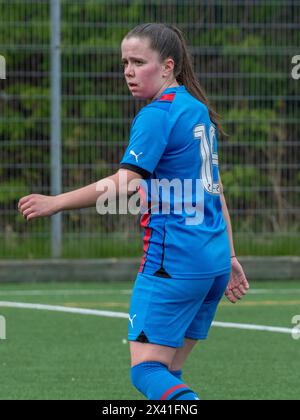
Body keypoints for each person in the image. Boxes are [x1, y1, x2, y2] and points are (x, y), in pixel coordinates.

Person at [18, 23, 249, 400]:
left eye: (139, 61)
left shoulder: (157, 115)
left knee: (146, 370)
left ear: (168, 66)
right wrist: (232, 254)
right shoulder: (196, 109)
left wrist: (54, 203)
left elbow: (124, 183)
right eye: (124, 61)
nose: (128, 70)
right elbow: (216, 192)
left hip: (174, 262)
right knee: (169, 368)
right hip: (213, 263)